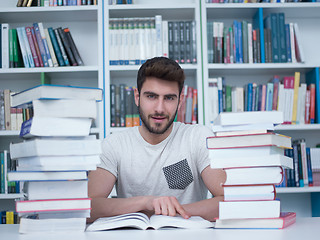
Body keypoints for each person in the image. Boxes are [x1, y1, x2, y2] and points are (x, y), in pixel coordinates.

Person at [88, 57, 226, 223]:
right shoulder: (114, 144)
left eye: (169, 98)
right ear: (137, 97)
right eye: (151, 96)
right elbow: (88, 206)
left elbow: (229, 198)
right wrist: (146, 202)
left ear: (180, 101)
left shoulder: (198, 138)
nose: (160, 108)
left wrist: (172, 212)